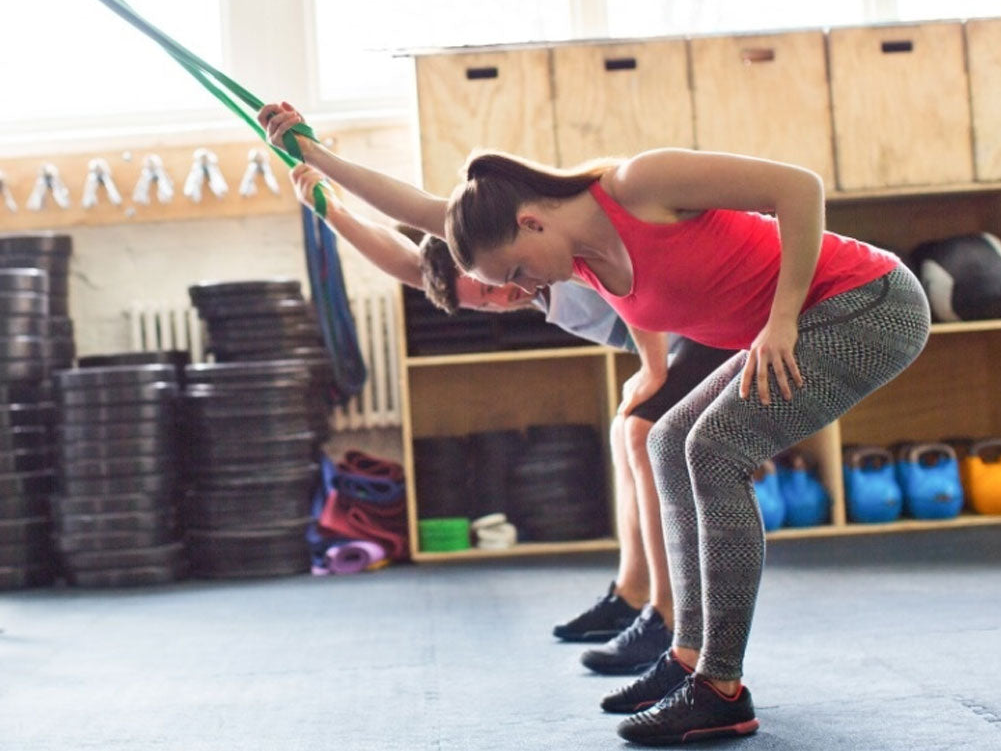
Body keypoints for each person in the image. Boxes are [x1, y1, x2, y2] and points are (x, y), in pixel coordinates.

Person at [443, 146, 930, 745]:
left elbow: (800, 187)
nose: (526, 288)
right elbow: (420, 209)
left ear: (531, 222)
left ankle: (720, 687)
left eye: (518, 271)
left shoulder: (638, 181)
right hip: (815, 315)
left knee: (715, 450)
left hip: (867, 306)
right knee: (669, 439)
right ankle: (688, 654)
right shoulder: (584, 255)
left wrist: (780, 321)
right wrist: (317, 167)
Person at [258, 103, 732, 699]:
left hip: (698, 321)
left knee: (639, 430)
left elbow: (631, 276)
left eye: (488, 287)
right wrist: (330, 209)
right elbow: (410, 264)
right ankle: (632, 595)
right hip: (681, 328)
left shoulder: (538, 249)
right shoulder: (518, 282)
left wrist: (654, 366)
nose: (501, 297)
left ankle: (665, 618)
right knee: (627, 433)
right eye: (484, 302)